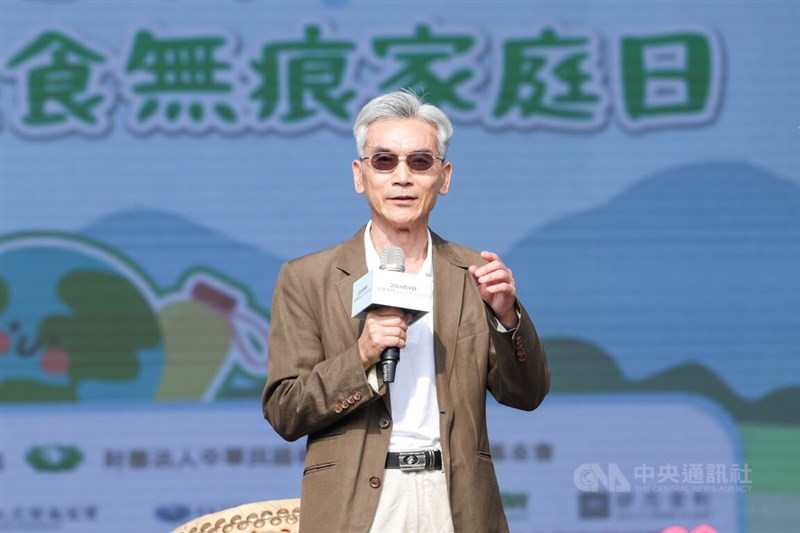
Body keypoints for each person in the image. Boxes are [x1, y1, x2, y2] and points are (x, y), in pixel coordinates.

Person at [263, 90, 549, 532]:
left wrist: (506, 319)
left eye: (419, 162)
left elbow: (527, 395)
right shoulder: (309, 278)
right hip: (355, 505)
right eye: (384, 161)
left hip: (455, 499)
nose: (402, 178)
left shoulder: (474, 274)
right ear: (359, 175)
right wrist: (360, 356)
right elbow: (285, 411)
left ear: (444, 176)